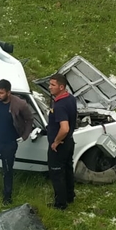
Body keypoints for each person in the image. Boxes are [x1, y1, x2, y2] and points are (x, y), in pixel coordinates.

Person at [0, 79, 34, 204]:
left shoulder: (20, 104)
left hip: (9, 143)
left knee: (8, 170)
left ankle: (7, 197)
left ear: (9, 92)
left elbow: (29, 119)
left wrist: (25, 135)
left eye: (1, 93)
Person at [46, 73, 77, 209]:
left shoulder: (59, 106)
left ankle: (60, 204)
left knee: (57, 173)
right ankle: (70, 196)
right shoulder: (70, 98)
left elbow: (64, 128)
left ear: (61, 86)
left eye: (53, 85)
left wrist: (56, 142)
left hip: (60, 145)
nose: (49, 87)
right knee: (68, 170)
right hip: (70, 142)